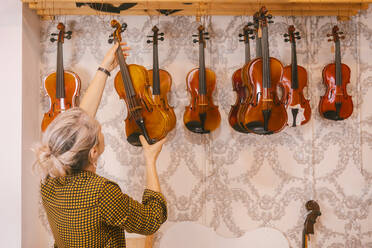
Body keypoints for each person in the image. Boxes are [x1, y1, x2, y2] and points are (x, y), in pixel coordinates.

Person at [33, 42, 167, 248]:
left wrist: (104, 69)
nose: (96, 125)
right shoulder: (101, 192)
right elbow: (152, 220)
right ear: (94, 152)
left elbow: (79, 121)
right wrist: (150, 160)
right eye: (99, 129)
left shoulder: (49, 179)